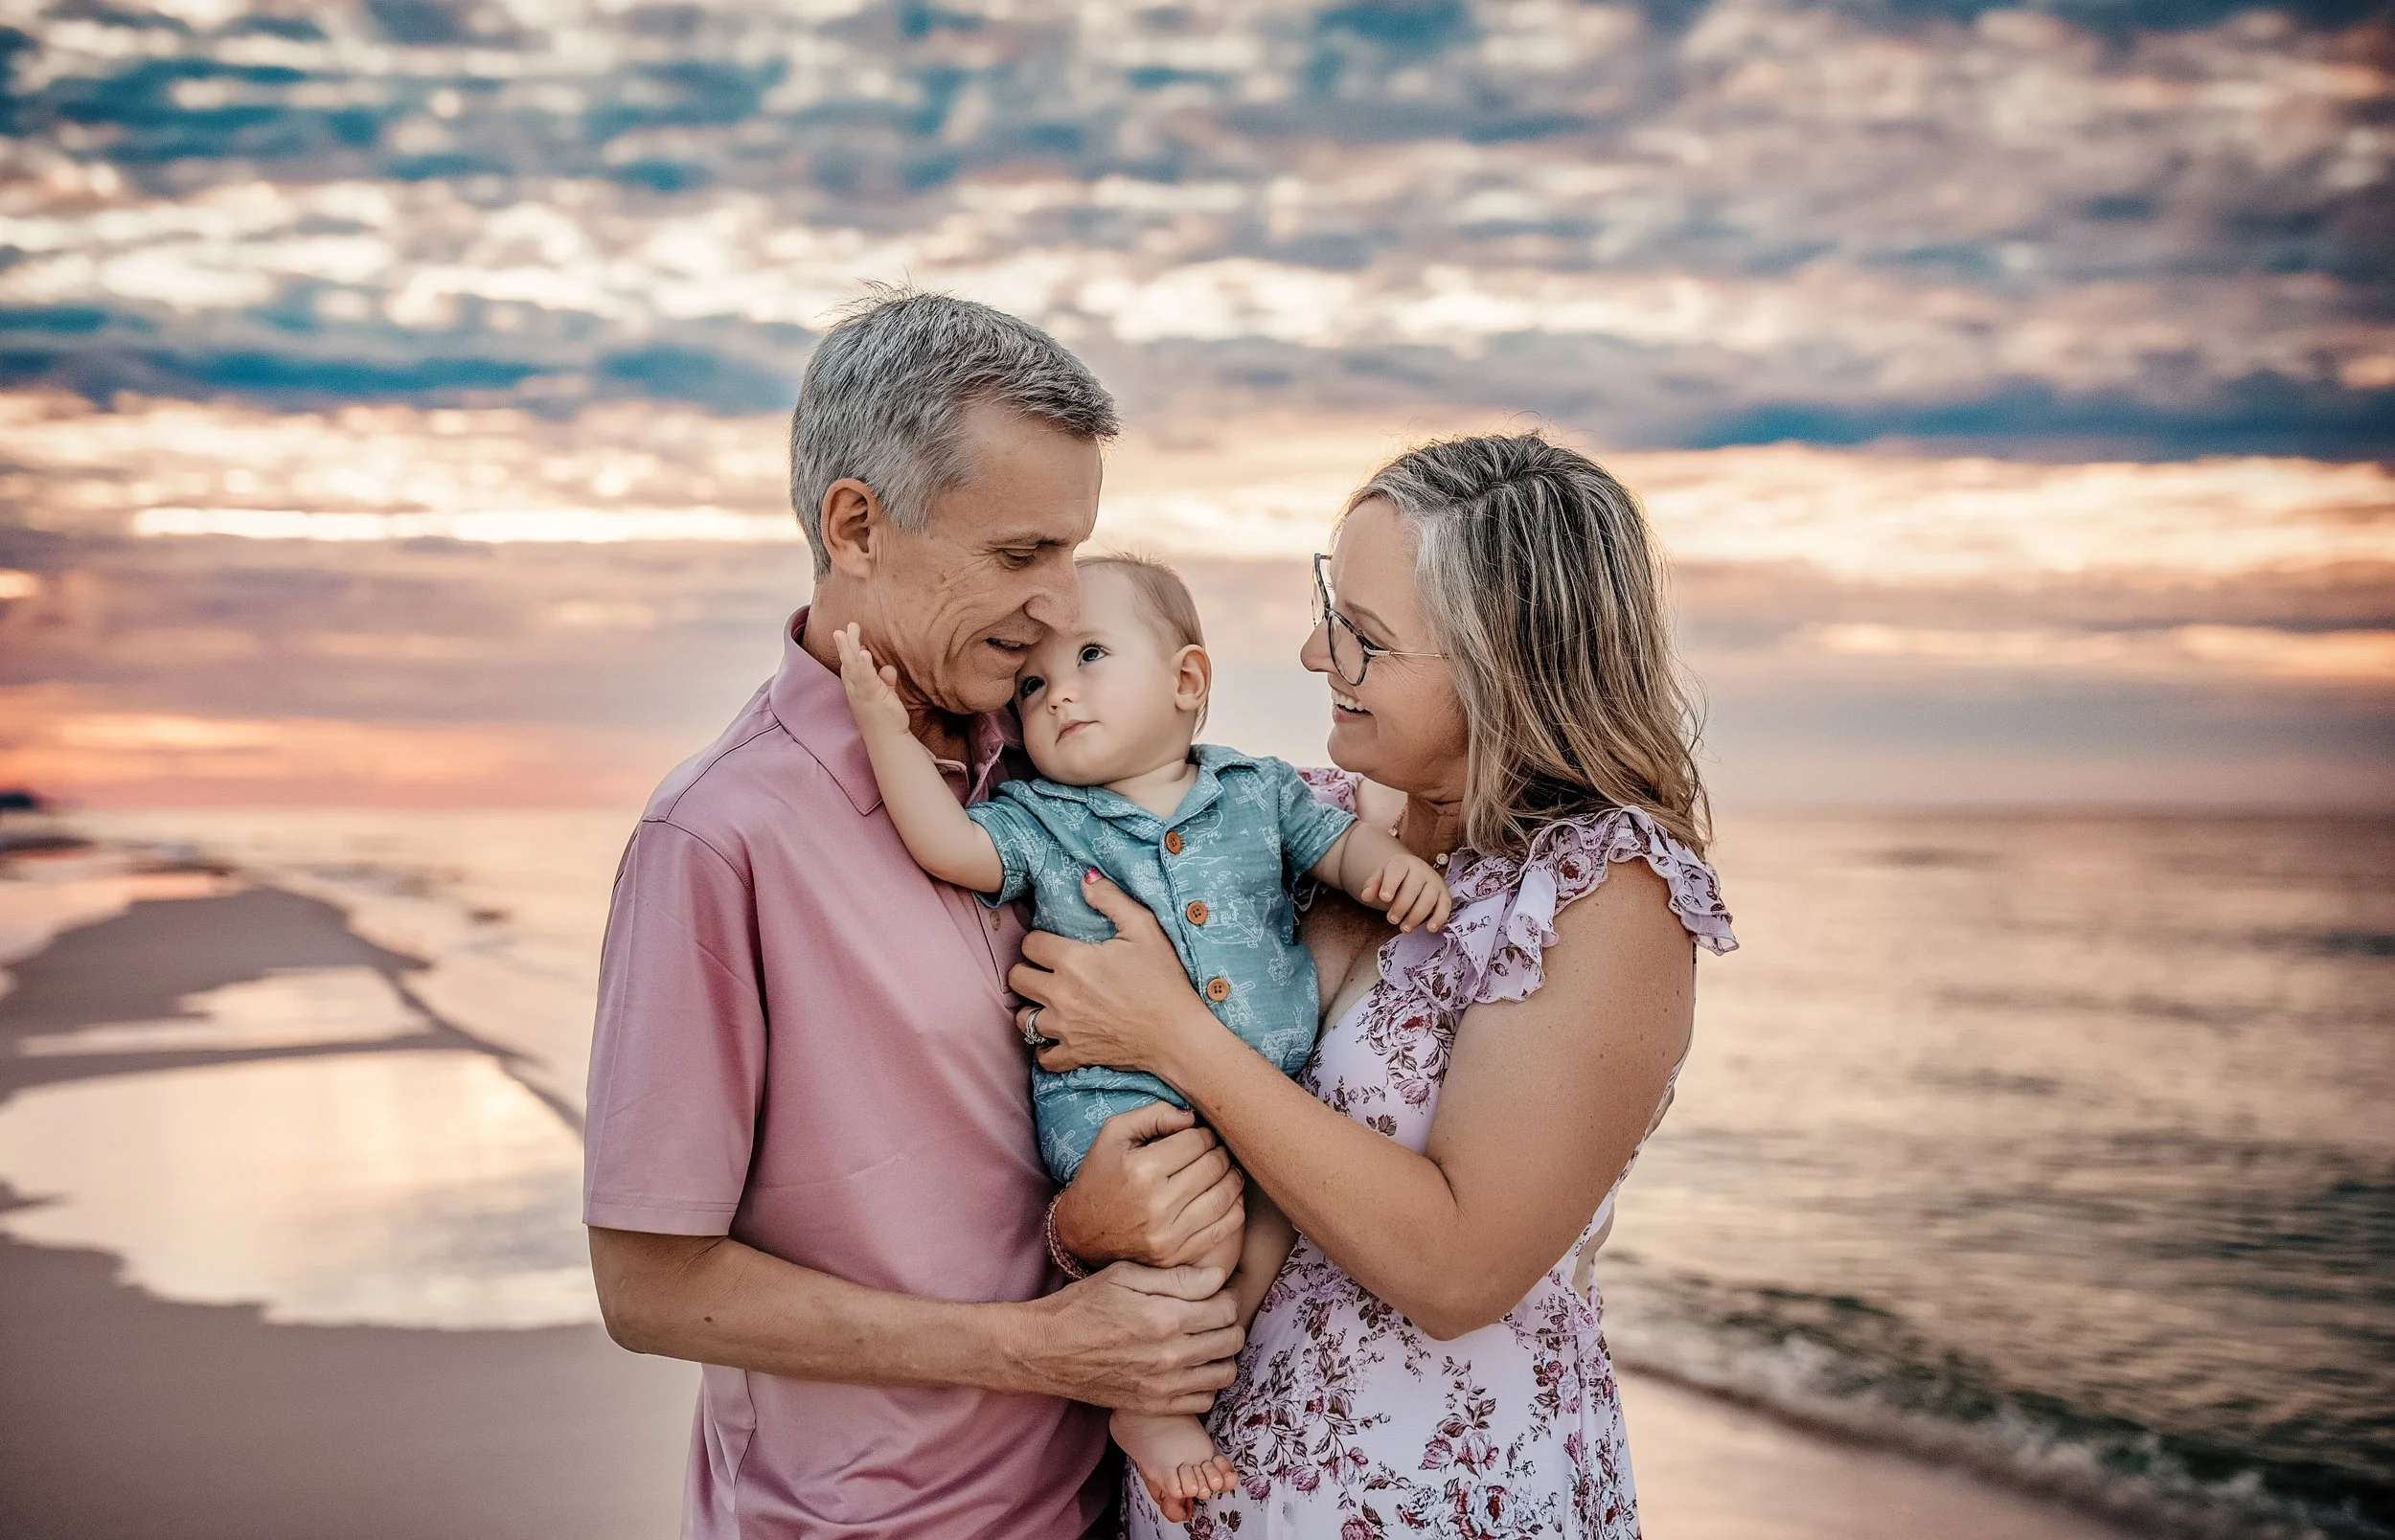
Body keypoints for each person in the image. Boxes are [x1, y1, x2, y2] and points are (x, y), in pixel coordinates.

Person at [581, 289, 1250, 1539]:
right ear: (857, 528)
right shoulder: (718, 838)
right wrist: (1039, 1348)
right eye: (1020, 555)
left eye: (1073, 551)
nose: (1062, 604)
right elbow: (649, 1287)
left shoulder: (1061, 765)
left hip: (1118, 1509)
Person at [1015, 434, 1739, 1537]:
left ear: (1504, 663)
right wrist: (1087, 1220)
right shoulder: (1289, 815)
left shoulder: (1603, 890)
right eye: (1328, 609)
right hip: (1201, 1496)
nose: (1316, 653)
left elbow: (1458, 1272)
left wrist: (1175, 1036)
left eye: (1363, 637)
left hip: (1443, 1502)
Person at [832, 553, 1450, 1520]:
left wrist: (1389, 870)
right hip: (1124, 1110)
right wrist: (882, 729)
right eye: (1031, 684)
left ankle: (1183, 1375)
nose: (1057, 691)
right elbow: (947, 845)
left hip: (1262, 1092)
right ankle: (1153, 1408)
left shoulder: (1258, 788)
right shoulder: (1041, 818)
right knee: (1195, 1233)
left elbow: (1337, 850)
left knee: (1269, 1220)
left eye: (1089, 656)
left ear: (1186, 680)